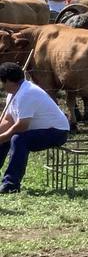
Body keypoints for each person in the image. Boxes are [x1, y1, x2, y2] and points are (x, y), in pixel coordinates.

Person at [0, 62, 70, 193]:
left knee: (18, 139)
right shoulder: (13, 93)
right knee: (6, 138)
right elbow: (9, 119)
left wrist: (2, 137)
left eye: (1, 81)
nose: (1, 85)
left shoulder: (27, 93)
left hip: (57, 132)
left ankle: (11, 184)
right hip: (39, 130)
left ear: (8, 81)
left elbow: (21, 126)